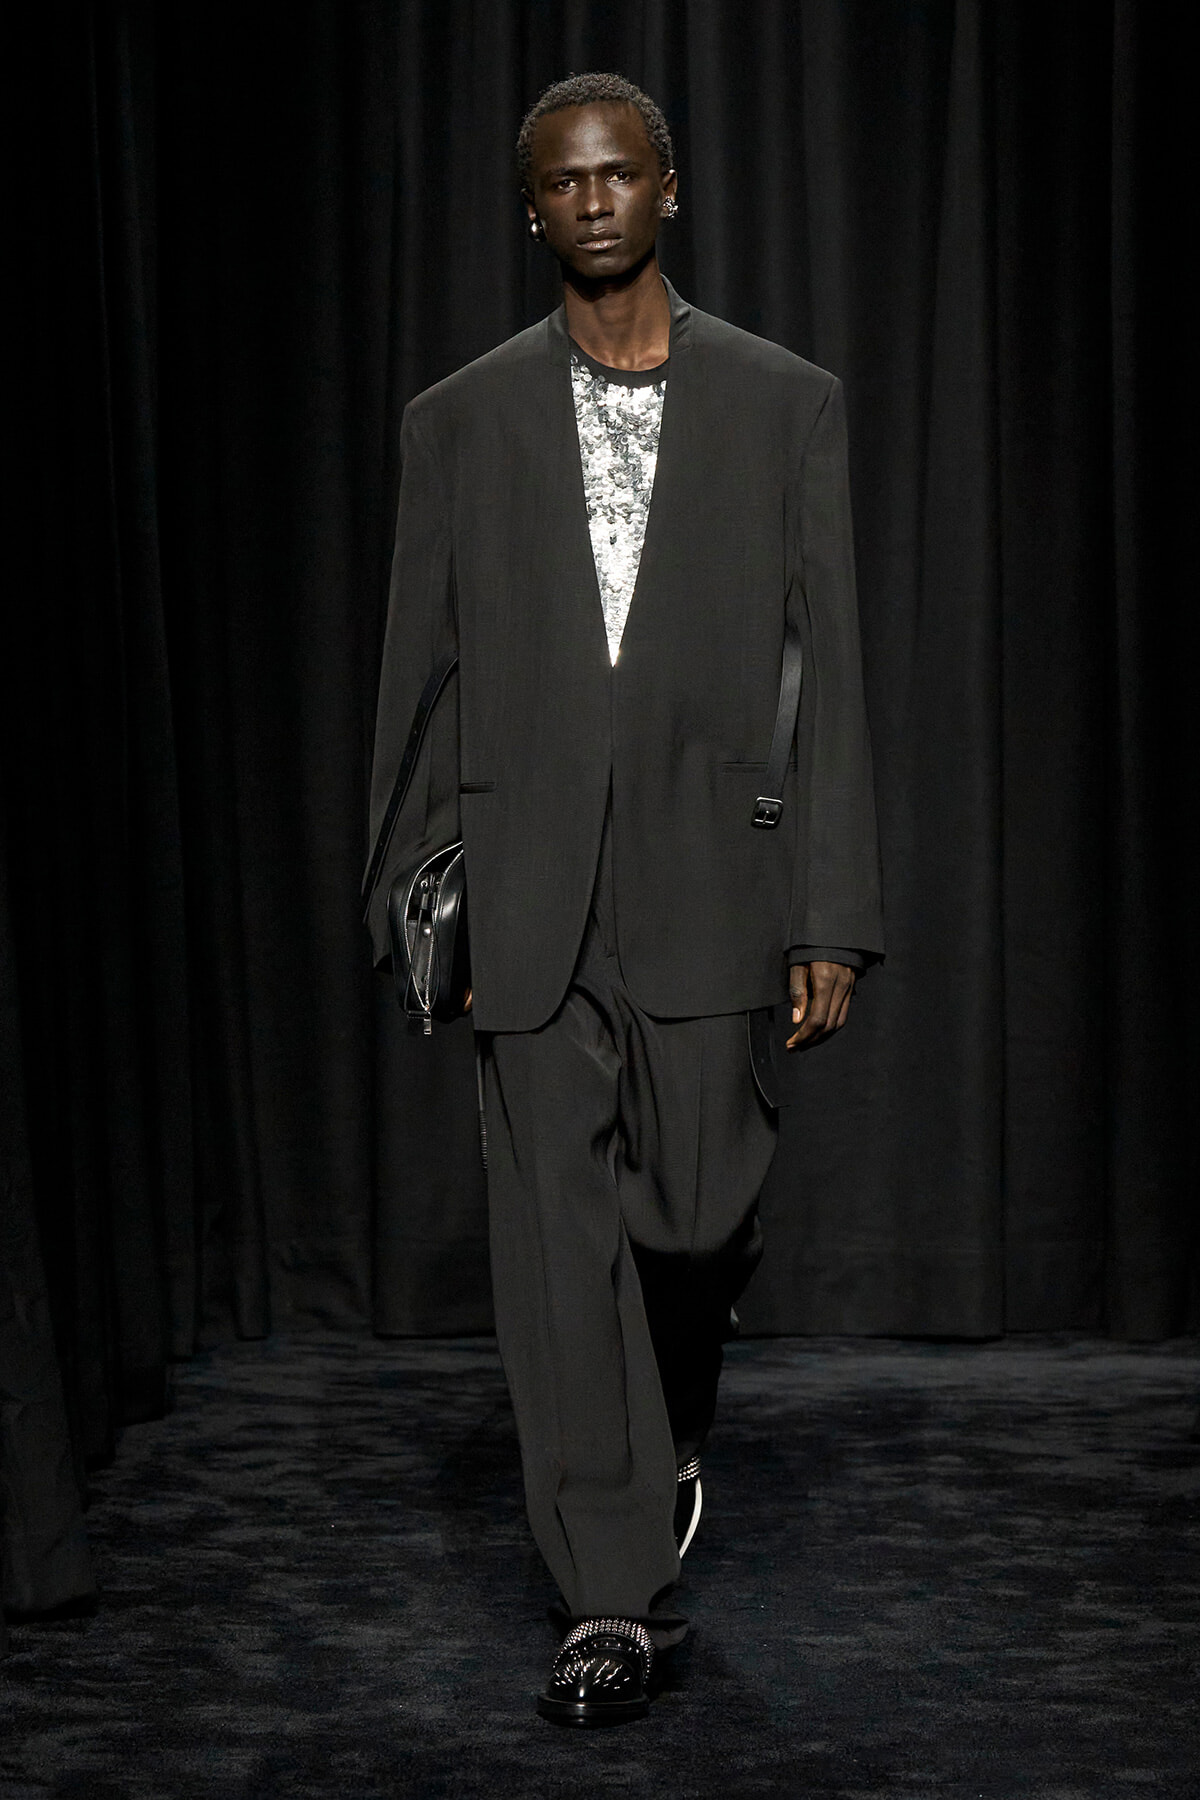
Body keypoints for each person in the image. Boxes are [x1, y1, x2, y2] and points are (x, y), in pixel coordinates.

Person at [364, 71, 883, 1727]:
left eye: (617, 174)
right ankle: (610, 1598)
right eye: (561, 184)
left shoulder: (784, 402)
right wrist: (405, 891)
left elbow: (834, 678)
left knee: (696, 1217)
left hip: (712, 877)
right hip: (525, 889)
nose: (592, 201)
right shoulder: (458, 421)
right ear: (533, 211)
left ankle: (667, 1435)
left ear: (670, 189)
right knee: (552, 1248)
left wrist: (829, 910)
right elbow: (416, 678)